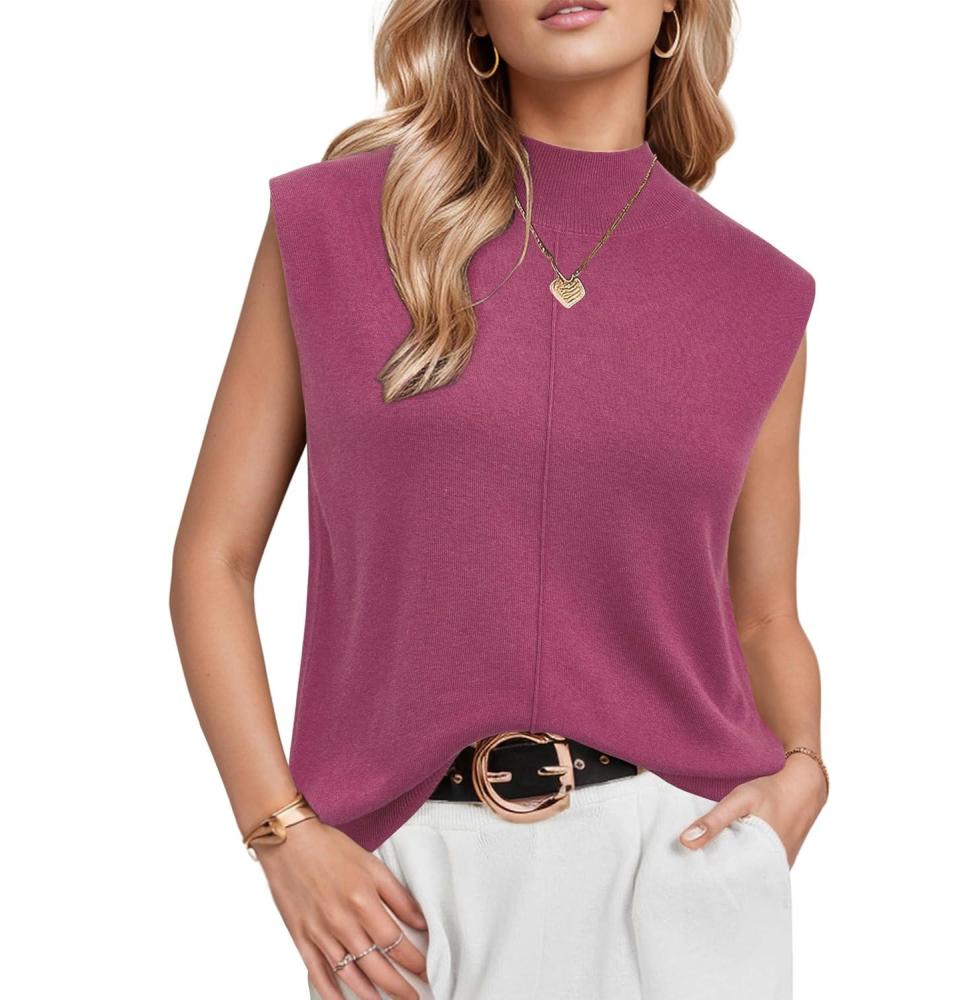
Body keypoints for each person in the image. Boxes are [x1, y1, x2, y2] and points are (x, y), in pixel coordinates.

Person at [169, 1, 829, 997]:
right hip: (399, 891)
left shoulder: (758, 291)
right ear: (474, 18)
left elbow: (764, 613)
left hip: (683, 865)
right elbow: (211, 562)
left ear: (675, 11)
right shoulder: (333, 224)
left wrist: (805, 767)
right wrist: (281, 831)